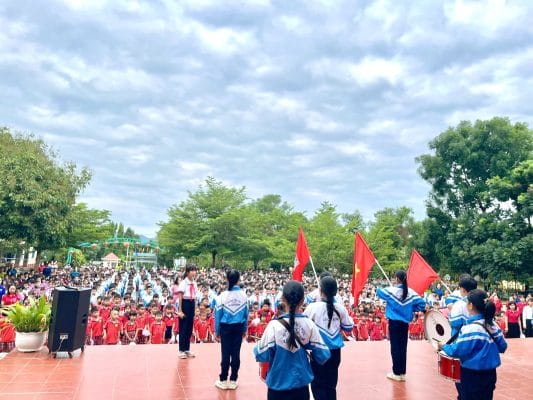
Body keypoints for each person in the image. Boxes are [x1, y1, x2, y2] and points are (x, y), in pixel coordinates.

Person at [254, 280, 331, 400]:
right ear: (302, 300)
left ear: (283, 299)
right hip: (301, 388)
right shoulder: (309, 324)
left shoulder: (273, 325)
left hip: (277, 387)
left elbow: (261, 354)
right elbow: (323, 355)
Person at [438, 289, 507, 400]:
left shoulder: (470, 329)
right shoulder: (493, 324)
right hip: (490, 374)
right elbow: (503, 346)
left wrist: (443, 346)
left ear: (470, 306)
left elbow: (457, 351)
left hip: (471, 375)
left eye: (467, 302)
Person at [303, 276, 353, 400]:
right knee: (331, 384)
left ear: (321, 291)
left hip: (318, 350)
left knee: (318, 383)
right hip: (335, 352)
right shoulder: (340, 308)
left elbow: (303, 325)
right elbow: (349, 327)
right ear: (335, 292)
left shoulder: (313, 307)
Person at [376, 270, 426, 382]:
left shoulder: (392, 290)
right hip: (404, 324)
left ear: (397, 279)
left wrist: (387, 287)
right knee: (403, 348)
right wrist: (410, 308)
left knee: (395, 347)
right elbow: (422, 304)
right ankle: (402, 373)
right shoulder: (411, 292)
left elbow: (378, 291)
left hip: (394, 323)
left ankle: (396, 373)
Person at [214, 269, 249, 390]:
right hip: (239, 327)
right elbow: (246, 315)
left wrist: (217, 331)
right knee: (236, 353)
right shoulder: (244, 296)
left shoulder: (222, 296)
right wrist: (245, 329)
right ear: (238, 279)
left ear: (226, 279)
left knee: (225, 353)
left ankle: (223, 380)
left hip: (225, 328)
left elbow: (218, 316)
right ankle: (233, 380)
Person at [176, 265, 198, 359]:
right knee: (183, 328)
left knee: (189, 328)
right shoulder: (183, 283)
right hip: (185, 304)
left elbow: (195, 297)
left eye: (195, 270)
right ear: (188, 272)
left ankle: (187, 349)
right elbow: (180, 297)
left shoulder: (194, 283)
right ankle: (181, 350)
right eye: (192, 270)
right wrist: (180, 310)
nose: (194, 272)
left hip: (191, 304)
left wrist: (195, 309)